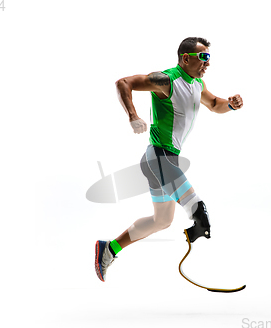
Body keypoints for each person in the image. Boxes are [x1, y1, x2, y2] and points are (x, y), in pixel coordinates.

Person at [95, 37, 243, 282]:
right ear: (186, 58)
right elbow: (124, 83)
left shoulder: (197, 84)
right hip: (160, 158)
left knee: (162, 220)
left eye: (209, 57)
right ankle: (212, 269)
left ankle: (109, 249)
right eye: (202, 57)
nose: (207, 63)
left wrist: (231, 105)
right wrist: (133, 115)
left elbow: (215, 104)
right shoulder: (167, 80)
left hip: (162, 161)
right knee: (199, 213)